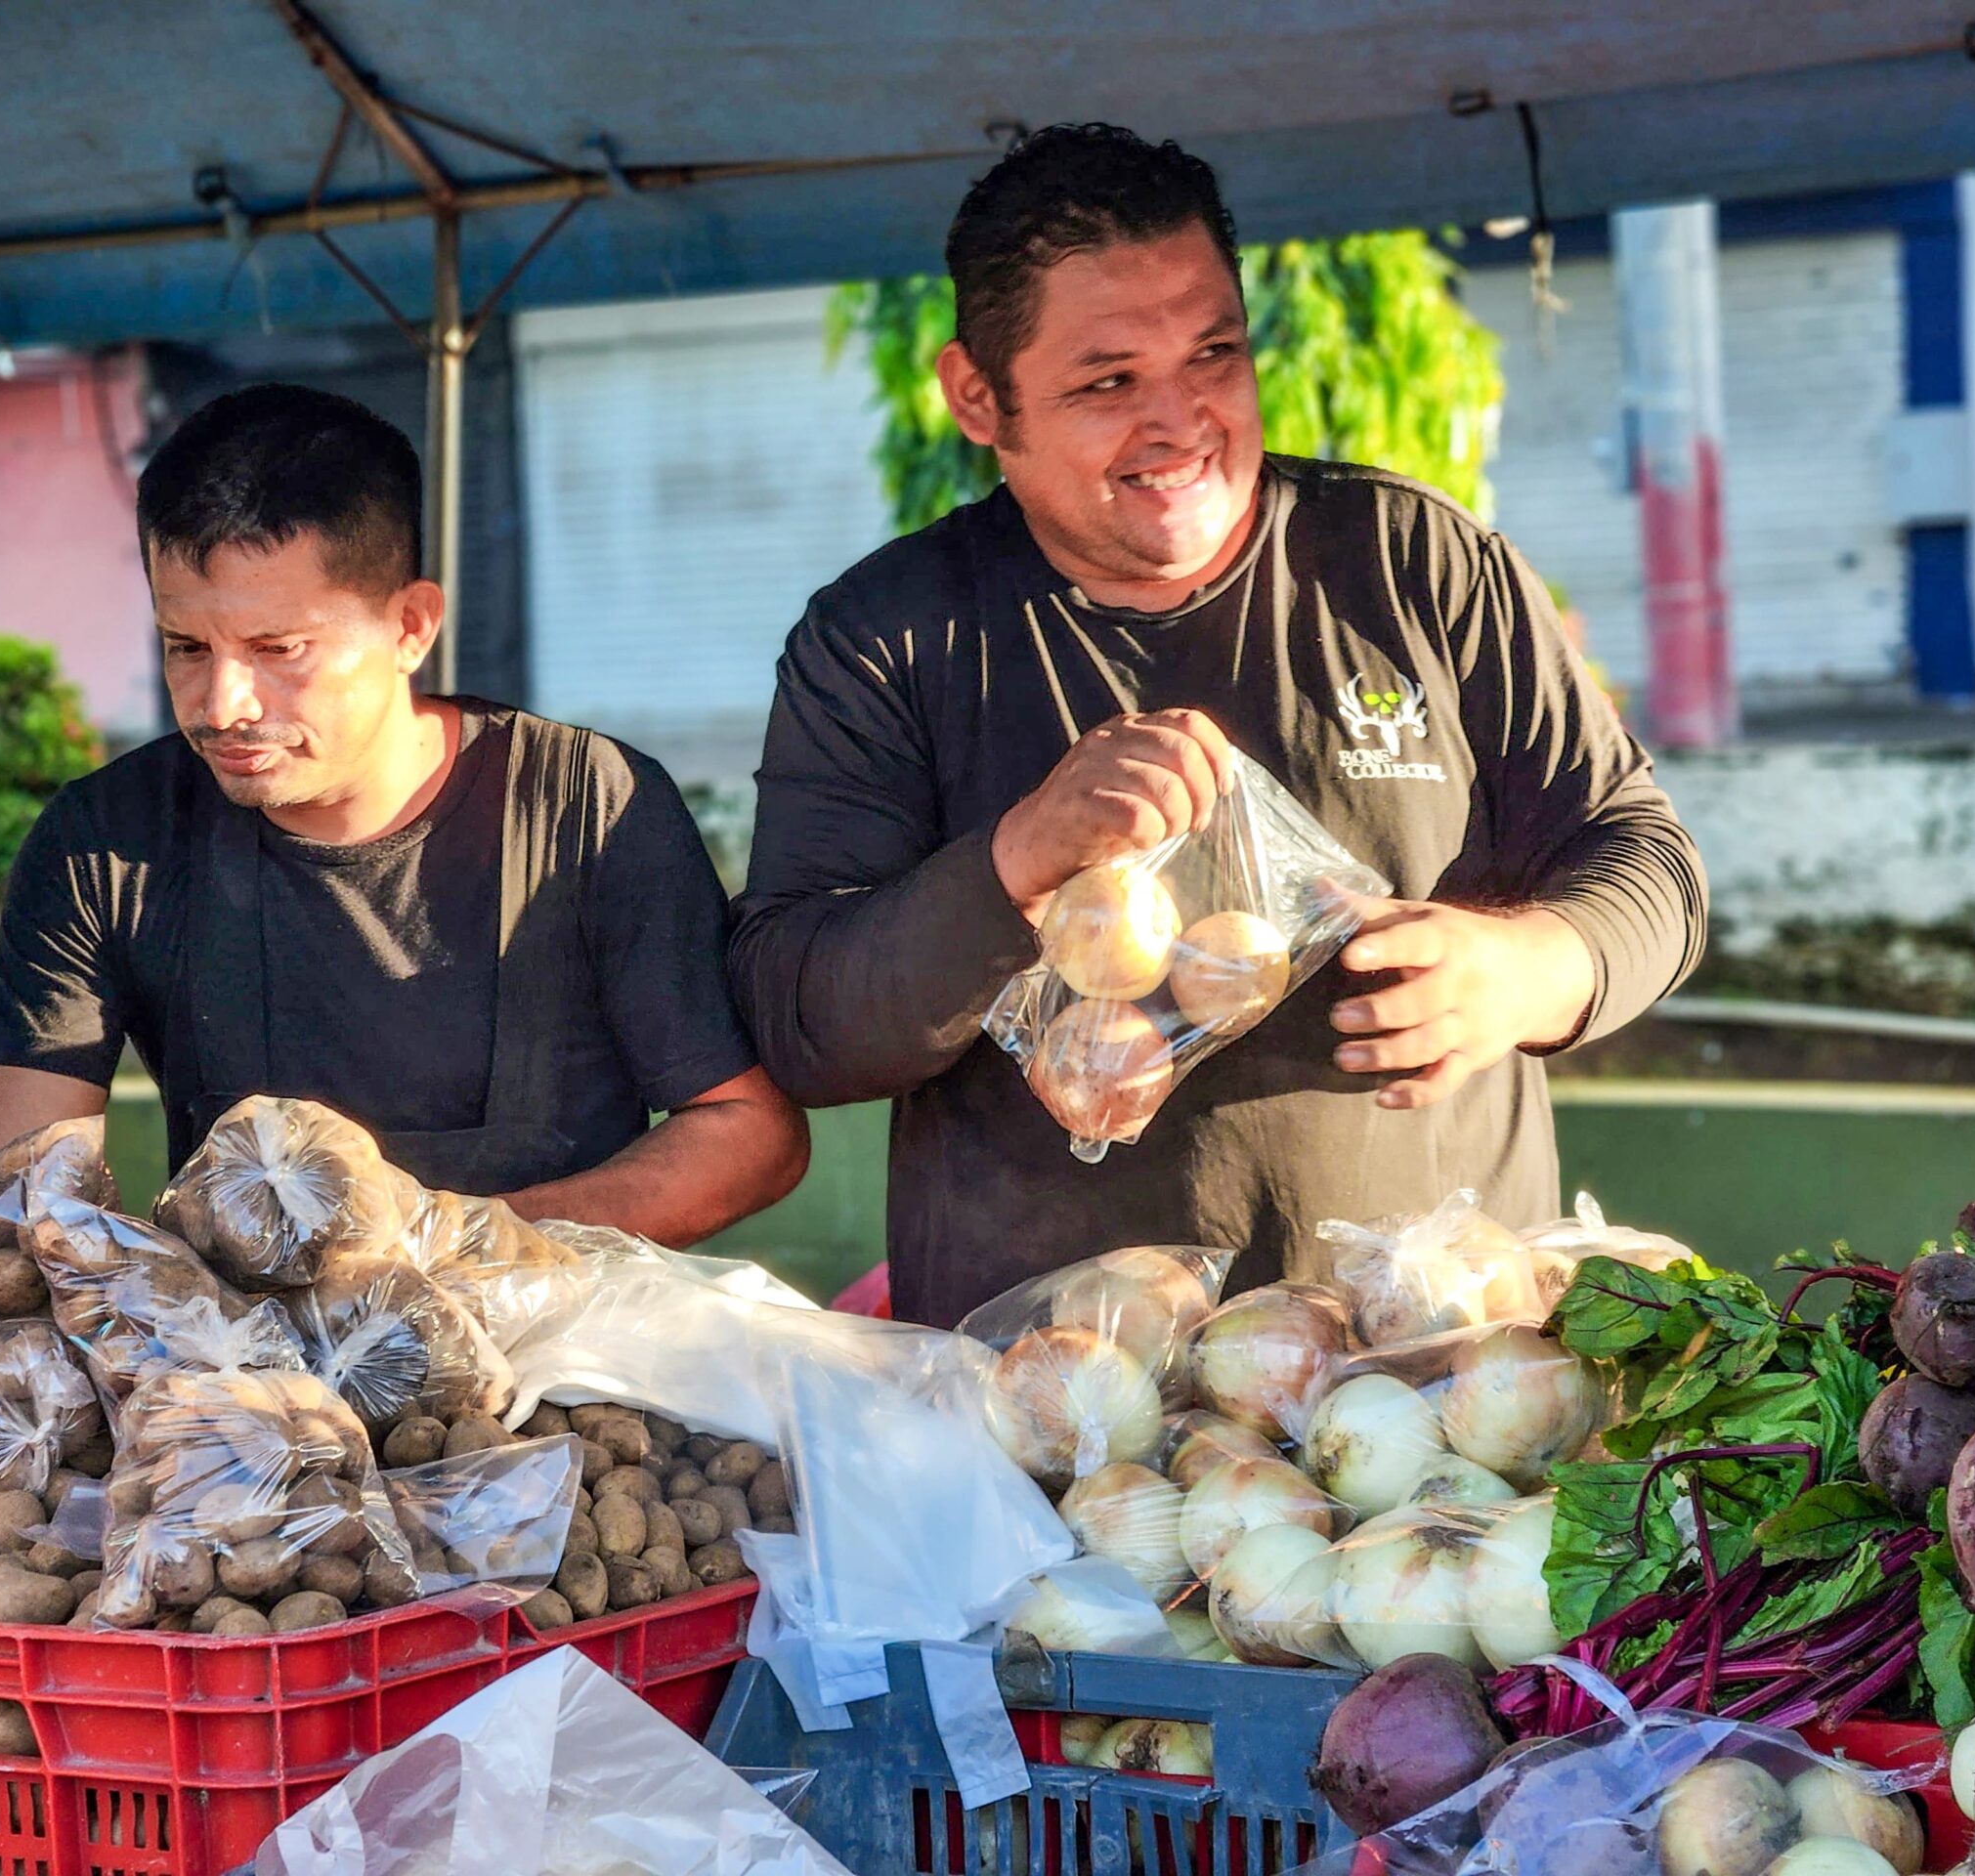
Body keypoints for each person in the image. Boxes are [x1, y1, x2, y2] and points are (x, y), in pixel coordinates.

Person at [730, 124, 1708, 1327]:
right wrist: (1014, 860)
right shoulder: (886, 638)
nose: (1182, 419)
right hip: (1062, 1402)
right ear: (977, 398)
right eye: (1107, 381)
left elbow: (1644, 855)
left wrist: (1532, 968)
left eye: (1214, 354)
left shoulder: (1412, 563)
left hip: (1438, 1377)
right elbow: (798, 1017)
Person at [0, 383, 809, 1245]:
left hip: (555, 1345)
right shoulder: (105, 844)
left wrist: (445, 1250)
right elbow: (6, 1193)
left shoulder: (587, 806)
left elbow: (750, 1135)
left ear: (410, 626)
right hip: (242, 1367)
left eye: (277, 650)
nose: (222, 705)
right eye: (186, 647)